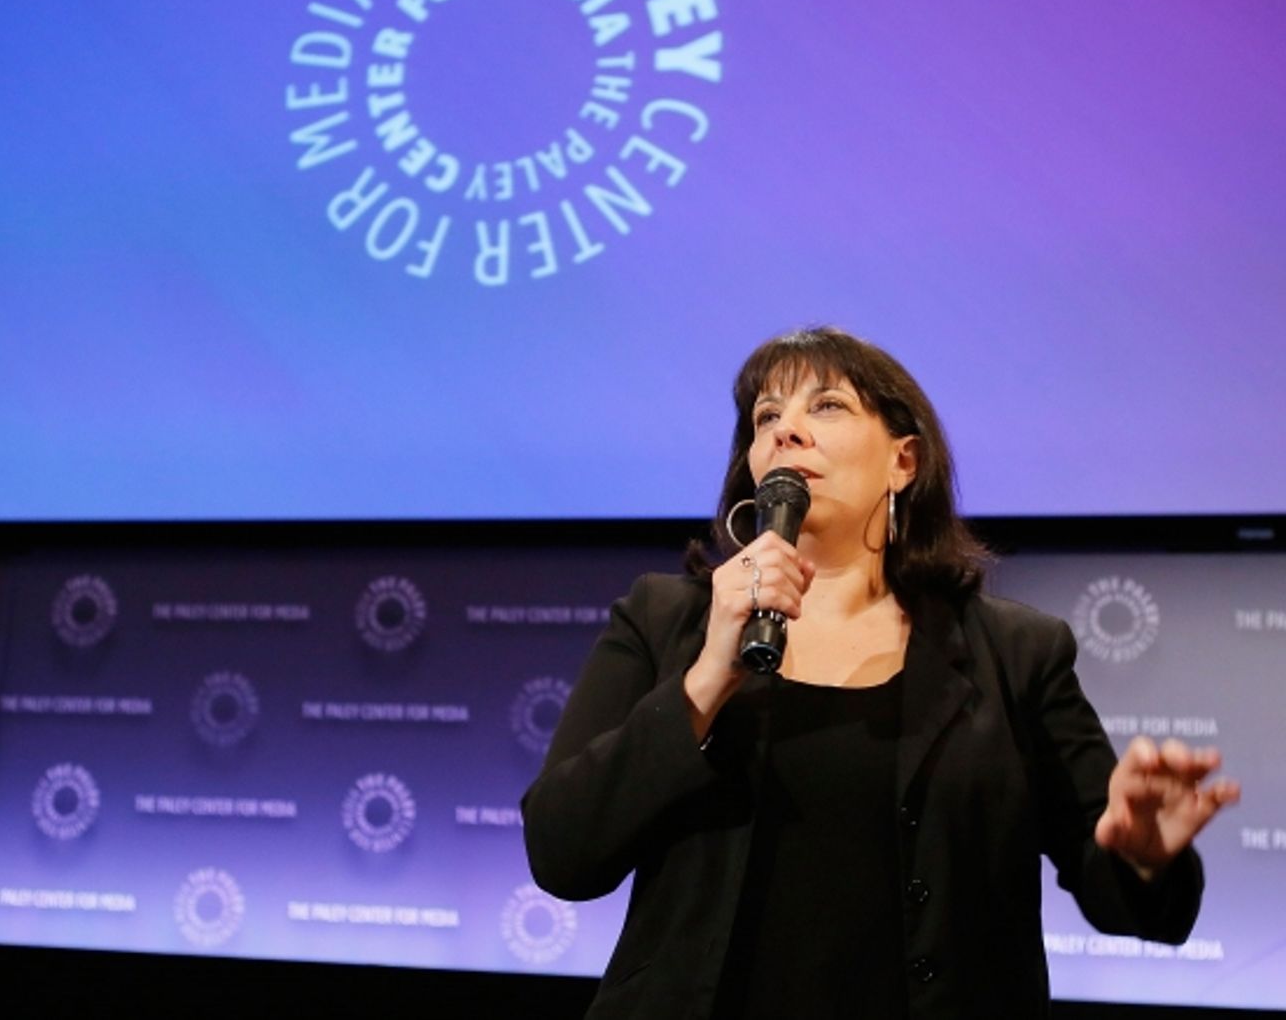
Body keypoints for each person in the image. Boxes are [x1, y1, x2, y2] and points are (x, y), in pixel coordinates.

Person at [521, 326, 1240, 1019]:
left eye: (826, 406)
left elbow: (1129, 899)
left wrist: (1145, 858)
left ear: (905, 461)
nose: (785, 430)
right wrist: (707, 677)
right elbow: (563, 854)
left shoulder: (1017, 652)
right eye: (766, 416)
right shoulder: (665, 621)